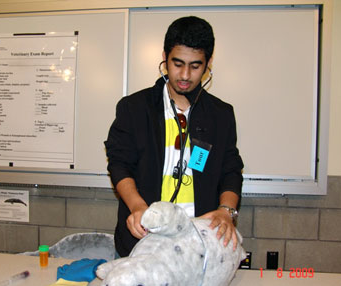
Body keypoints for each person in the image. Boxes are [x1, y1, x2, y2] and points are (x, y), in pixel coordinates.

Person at [105, 16, 244, 257]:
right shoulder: (134, 108)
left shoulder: (221, 115)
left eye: (195, 66)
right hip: (143, 241)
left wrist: (226, 210)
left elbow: (230, 170)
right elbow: (119, 164)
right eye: (177, 63)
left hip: (197, 243)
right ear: (164, 57)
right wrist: (138, 207)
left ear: (208, 62)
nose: (185, 75)